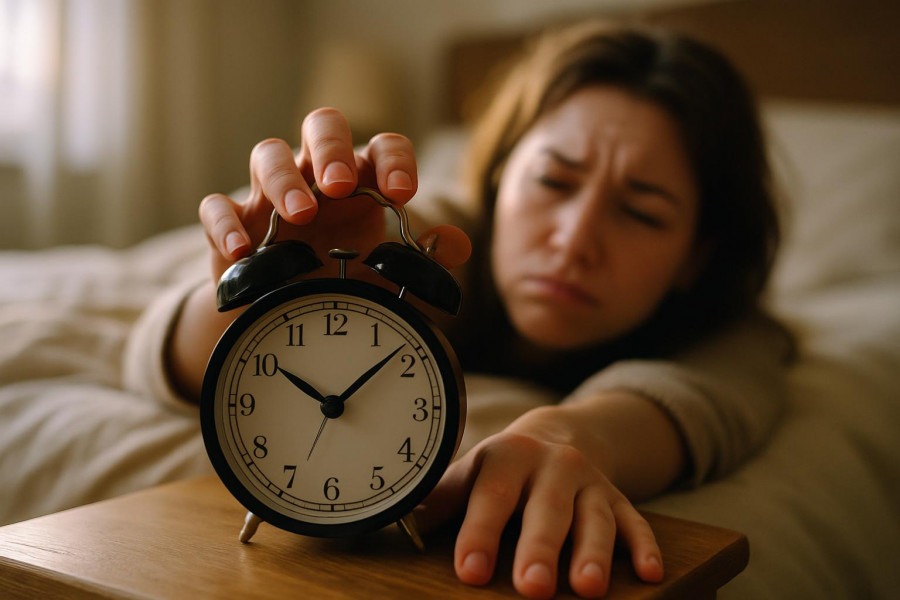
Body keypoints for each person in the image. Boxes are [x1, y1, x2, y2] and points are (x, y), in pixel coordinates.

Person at [138, 20, 791, 600]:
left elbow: (700, 399)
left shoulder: (736, 328)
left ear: (696, 257)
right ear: (501, 178)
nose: (573, 240)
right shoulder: (429, 242)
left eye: (642, 212)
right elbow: (157, 349)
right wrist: (263, 300)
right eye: (553, 182)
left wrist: (571, 434)